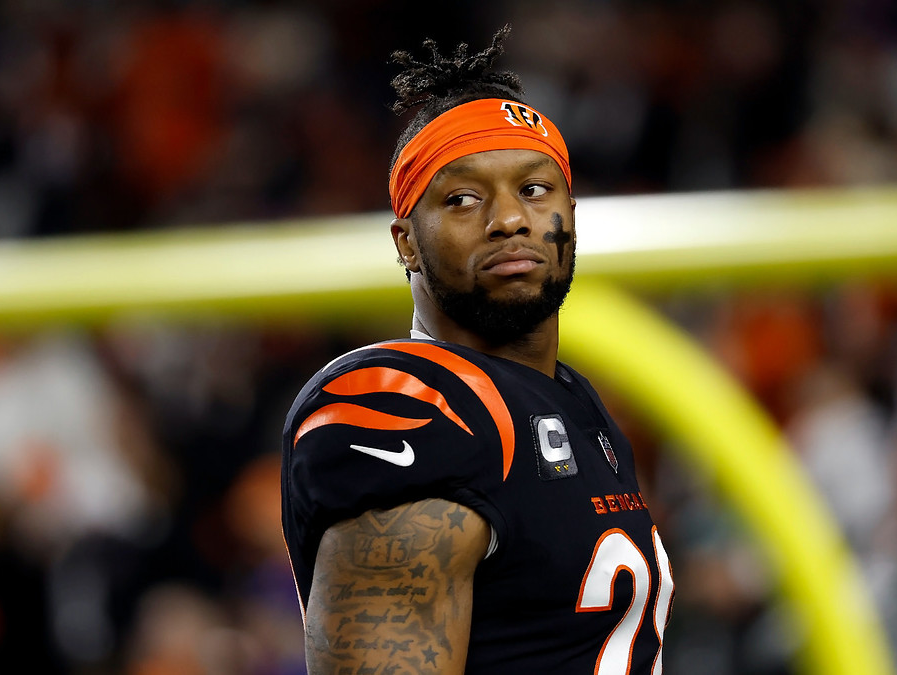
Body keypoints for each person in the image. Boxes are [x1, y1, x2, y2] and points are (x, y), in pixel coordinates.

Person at [281, 26, 673, 674]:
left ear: (571, 214)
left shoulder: (580, 403)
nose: (509, 219)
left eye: (535, 189)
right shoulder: (412, 404)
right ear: (406, 240)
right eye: (462, 198)